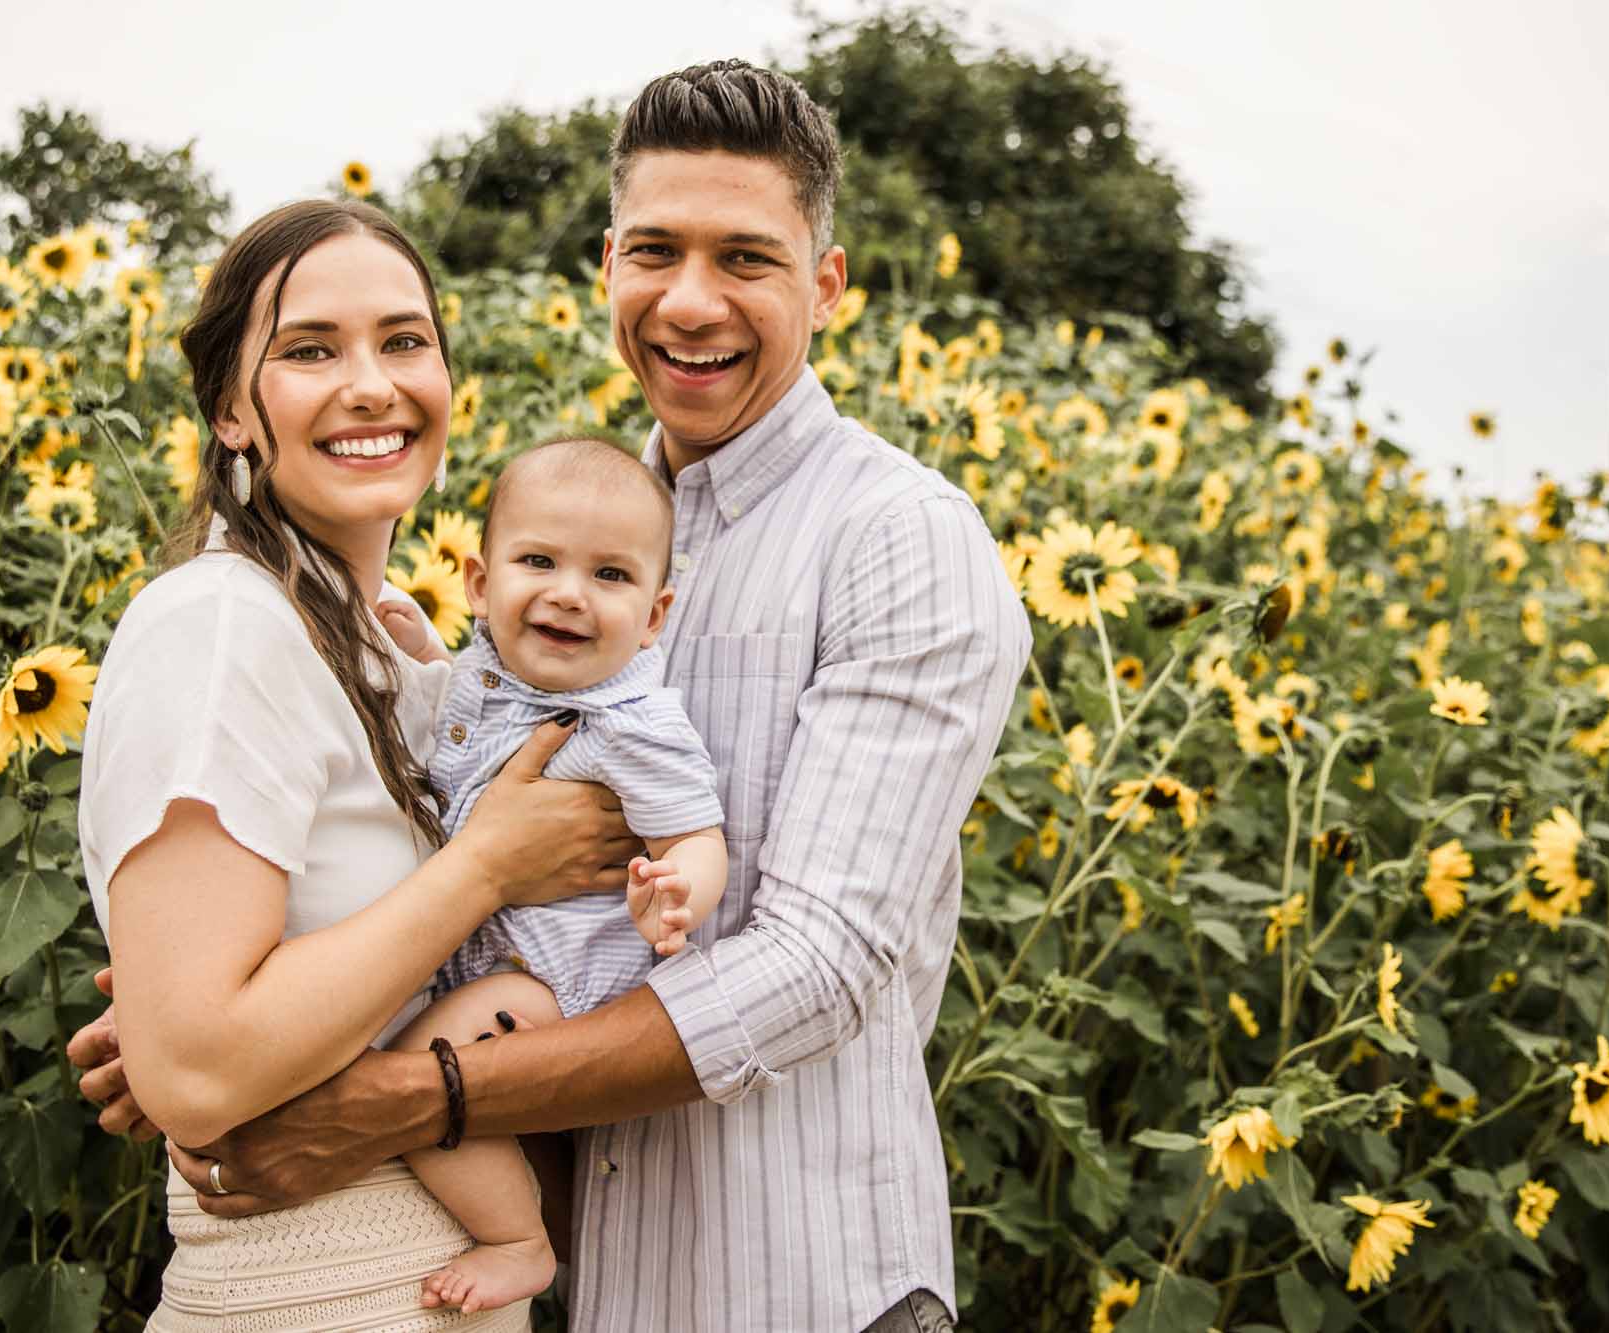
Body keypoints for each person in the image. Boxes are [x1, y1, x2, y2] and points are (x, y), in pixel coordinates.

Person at [74, 60, 1030, 1331]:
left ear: (826, 284)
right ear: (606, 268)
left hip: (790, 1277)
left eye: (745, 258)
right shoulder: (572, 541)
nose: (690, 302)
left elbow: (817, 965)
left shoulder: (895, 539)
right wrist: (217, 1032)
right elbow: (444, 867)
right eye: (655, 252)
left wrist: (408, 1092)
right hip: (584, 1277)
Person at [75, 196, 637, 1329]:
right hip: (315, 1292)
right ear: (232, 410)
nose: (371, 383)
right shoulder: (221, 626)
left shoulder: (381, 644)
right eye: (309, 350)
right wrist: (482, 869)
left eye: (403, 340)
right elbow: (195, 1074)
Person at [378, 436, 729, 1314]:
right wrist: (426, 654)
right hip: (485, 959)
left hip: (554, 987)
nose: (570, 592)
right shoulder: (486, 670)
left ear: (654, 615)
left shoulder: (632, 721)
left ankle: (518, 1238)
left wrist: (676, 892)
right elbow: (460, 729)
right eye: (539, 561)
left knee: (413, 1072)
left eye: (611, 576)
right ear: (481, 584)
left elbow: (698, 832)